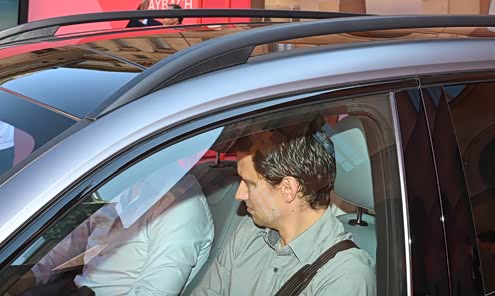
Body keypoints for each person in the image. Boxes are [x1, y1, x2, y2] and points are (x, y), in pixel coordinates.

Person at [191, 126, 376, 295]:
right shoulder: (249, 232)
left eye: (249, 183)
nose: (239, 195)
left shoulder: (344, 276)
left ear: (288, 189)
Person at [22, 167, 214, 295]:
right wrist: (30, 277)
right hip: (74, 287)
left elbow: (154, 291)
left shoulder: (180, 206)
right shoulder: (125, 182)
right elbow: (75, 241)